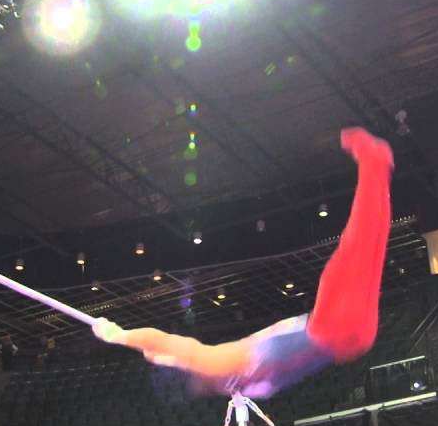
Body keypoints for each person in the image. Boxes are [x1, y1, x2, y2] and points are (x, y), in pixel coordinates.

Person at [92, 128, 393, 399]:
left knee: (370, 245)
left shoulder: (245, 378)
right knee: (360, 242)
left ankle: (376, 165)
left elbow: (167, 350)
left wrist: (159, 354)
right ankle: (373, 162)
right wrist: (117, 335)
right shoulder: (216, 362)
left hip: (349, 337)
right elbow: (166, 341)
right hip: (332, 330)